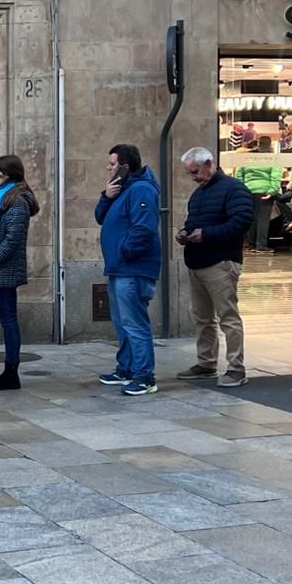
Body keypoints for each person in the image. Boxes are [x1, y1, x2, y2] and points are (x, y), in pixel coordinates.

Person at [176, 147, 254, 388]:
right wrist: (185, 232)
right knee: (202, 317)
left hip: (220, 261)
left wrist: (207, 234)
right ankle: (207, 363)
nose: (194, 177)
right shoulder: (199, 194)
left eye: (196, 172)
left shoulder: (234, 189)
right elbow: (193, 220)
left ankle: (235, 368)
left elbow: (241, 222)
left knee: (228, 317)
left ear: (210, 163)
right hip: (198, 261)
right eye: (190, 173)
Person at [96, 143, 161, 395]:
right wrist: (106, 196)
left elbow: (144, 227)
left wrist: (125, 252)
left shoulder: (142, 189)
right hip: (119, 267)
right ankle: (127, 368)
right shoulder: (123, 189)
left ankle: (145, 376)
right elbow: (100, 216)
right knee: (123, 322)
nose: (108, 167)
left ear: (124, 166)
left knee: (135, 323)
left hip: (132, 268)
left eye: (112, 164)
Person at [0, 155, 40, 392]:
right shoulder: (6, 198)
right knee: (8, 319)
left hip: (5, 268)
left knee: (9, 320)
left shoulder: (16, 202)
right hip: (1, 268)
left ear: (6, 174)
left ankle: (11, 371)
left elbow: (12, 239)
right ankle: (9, 370)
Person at [238, 137, 285, 252]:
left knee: (252, 218)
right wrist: (272, 191)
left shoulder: (249, 157)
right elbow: (276, 176)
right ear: (270, 145)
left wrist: (242, 189)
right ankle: (261, 246)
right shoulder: (273, 158)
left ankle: (251, 244)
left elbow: (240, 174)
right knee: (263, 219)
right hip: (264, 191)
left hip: (248, 191)